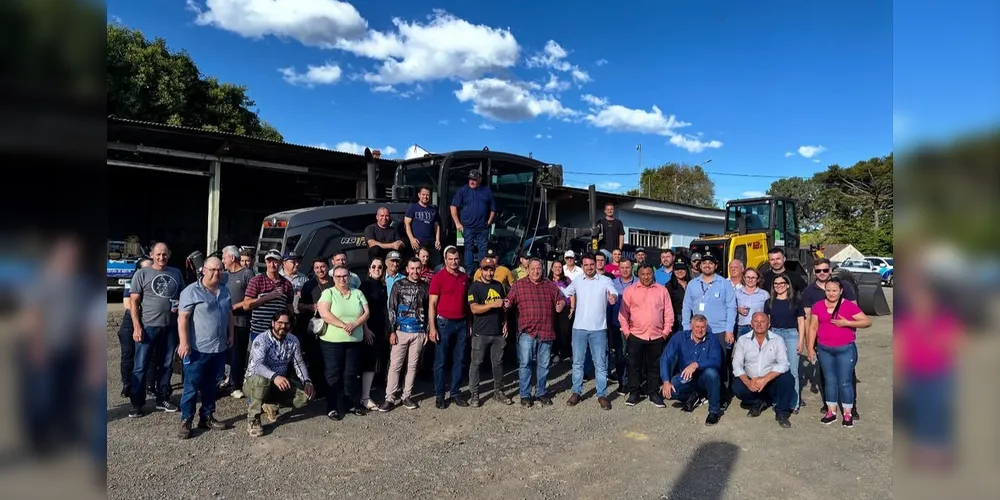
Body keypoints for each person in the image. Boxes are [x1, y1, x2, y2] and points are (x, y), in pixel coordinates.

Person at [175, 257, 232, 438]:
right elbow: (182, 318)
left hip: (219, 347)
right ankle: (186, 420)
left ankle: (207, 416)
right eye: (213, 270)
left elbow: (229, 313)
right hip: (197, 348)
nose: (216, 273)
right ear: (203, 270)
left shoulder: (224, 290)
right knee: (191, 385)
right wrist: (184, 342)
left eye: (219, 269)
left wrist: (231, 334)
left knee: (212, 385)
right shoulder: (190, 291)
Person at [127, 242, 184, 417]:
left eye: (164, 254)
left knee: (166, 365)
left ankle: (163, 398)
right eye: (158, 254)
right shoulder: (141, 274)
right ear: (151, 255)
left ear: (170, 254)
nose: (161, 258)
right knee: (140, 366)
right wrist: (137, 326)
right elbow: (134, 302)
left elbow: (183, 296)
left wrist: (179, 306)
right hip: (148, 327)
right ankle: (137, 404)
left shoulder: (176, 273)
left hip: (170, 327)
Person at [806, 278, 872, 427]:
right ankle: (831, 412)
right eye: (828, 290)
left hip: (845, 349)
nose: (831, 293)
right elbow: (813, 328)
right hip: (824, 349)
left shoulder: (848, 306)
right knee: (829, 381)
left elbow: (867, 322)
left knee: (845, 381)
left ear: (841, 291)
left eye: (834, 290)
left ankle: (848, 414)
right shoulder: (818, 306)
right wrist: (810, 348)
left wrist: (848, 323)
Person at [505, 258, 566, 407]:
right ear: (527, 270)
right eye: (532, 269)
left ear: (543, 269)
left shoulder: (550, 285)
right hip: (527, 332)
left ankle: (541, 392)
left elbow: (562, 299)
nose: (536, 271)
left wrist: (561, 305)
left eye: (538, 268)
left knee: (544, 365)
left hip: (546, 332)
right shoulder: (519, 285)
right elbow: (509, 301)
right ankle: (525, 394)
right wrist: (506, 304)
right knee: (525, 364)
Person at [243, 311, 314, 438]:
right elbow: (258, 365)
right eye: (280, 323)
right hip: (255, 382)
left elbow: (299, 363)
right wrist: (274, 376)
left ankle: (270, 403)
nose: (283, 326)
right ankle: (253, 419)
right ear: (273, 323)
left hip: (279, 382)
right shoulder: (261, 339)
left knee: (305, 397)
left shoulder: (293, 340)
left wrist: (307, 382)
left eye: (286, 323)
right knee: (261, 381)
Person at [561, 253, 618, 410]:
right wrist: (554, 289)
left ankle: (602, 395)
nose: (589, 267)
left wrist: (613, 297)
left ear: (596, 264)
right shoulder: (578, 281)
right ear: (583, 266)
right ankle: (576, 392)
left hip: (598, 329)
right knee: (578, 362)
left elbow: (613, 292)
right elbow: (566, 292)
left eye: (591, 264)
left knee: (600, 364)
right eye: (585, 265)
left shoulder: (605, 280)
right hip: (579, 328)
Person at [317, 265, 373, 420]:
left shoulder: (358, 293)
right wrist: (344, 325)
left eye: (344, 276)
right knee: (333, 374)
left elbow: (367, 312)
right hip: (332, 342)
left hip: (354, 340)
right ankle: (332, 406)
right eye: (338, 276)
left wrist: (354, 324)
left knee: (351, 373)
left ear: (349, 277)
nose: (342, 279)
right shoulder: (328, 293)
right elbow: (325, 314)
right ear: (333, 278)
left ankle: (351, 404)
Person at [681, 253, 736, 408]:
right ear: (700, 266)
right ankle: (701, 392)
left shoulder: (724, 284)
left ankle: (722, 396)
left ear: (716, 266)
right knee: (697, 362)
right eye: (704, 263)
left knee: (720, 364)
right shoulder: (692, 284)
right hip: (697, 331)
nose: (707, 265)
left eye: (710, 263)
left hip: (719, 330)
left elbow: (732, 307)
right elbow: (686, 307)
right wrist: (687, 328)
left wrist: (729, 330)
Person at [618, 263, 673, 408]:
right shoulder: (630, 291)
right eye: (643, 274)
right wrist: (627, 333)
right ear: (638, 275)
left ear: (653, 274)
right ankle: (634, 393)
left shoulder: (662, 291)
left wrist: (665, 332)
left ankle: (653, 393)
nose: (646, 277)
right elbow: (623, 314)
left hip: (656, 336)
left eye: (648, 274)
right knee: (634, 366)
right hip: (635, 335)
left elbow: (668, 313)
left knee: (654, 366)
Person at [380, 258, 430, 411]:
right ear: (407, 269)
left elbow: (429, 310)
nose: (415, 271)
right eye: (412, 268)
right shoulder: (398, 285)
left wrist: (427, 330)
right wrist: (392, 331)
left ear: (421, 269)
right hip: (401, 331)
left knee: (413, 366)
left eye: (418, 268)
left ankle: (406, 395)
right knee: (395, 365)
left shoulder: (425, 286)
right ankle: (389, 398)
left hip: (419, 332)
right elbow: (391, 309)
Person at [731, 313, 796, 428]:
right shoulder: (743, 340)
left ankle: (781, 412)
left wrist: (765, 379)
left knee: (788, 379)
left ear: (769, 324)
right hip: (752, 380)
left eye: (763, 321)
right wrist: (748, 382)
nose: (759, 324)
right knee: (737, 387)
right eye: (756, 321)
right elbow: (736, 364)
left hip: (770, 379)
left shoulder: (777, 340)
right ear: (751, 324)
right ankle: (760, 402)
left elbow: (784, 364)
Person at [660, 314, 724, 425]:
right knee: (668, 392)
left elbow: (717, 361)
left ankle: (714, 410)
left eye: (703, 327)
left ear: (706, 327)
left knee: (712, 373)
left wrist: (696, 364)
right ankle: (696, 396)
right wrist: (666, 381)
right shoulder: (680, 337)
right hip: (686, 377)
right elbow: (665, 358)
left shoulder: (712, 339)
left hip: (704, 376)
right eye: (697, 327)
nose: (700, 330)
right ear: (691, 326)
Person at [428, 246, 471, 408]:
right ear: (445, 260)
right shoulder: (438, 278)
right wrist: (432, 327)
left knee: (459, 360)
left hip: (461, 323)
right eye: (450, 259)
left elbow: (467, 303)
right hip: (444, 323)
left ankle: (455, 393)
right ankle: (439, 395)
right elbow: (432, 304)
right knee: (441, 361)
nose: (453, 262)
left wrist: (469, 324)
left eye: (456, 259)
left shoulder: (464, 277)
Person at [467, 258, 512, 407]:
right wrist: (493, 304)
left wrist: (505, 320)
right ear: (481, 270)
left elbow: (503, 305)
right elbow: (474, 308)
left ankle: (498, 391)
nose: (489, 272)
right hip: (481, 332)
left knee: (498, 363)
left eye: (491, 269)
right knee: (476, 363)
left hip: (497, 332)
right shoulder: (475, 287)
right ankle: (474, 393)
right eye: (486, 269)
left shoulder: (498, 285)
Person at [764, 273, 807, 412]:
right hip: (775, 334)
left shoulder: (796, 301)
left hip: (791, 335)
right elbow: (767, 322)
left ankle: (794, 403)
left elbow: (801, 322)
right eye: (776, 284)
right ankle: (778, 401)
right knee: (775, 370)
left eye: (782, 283)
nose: (779, 286)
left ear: (788, 285)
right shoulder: (769, 302)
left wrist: (801, 341)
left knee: (793, 371)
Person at [242, 249, 295, 350]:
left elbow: (289, 307)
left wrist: (291, 326)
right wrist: (267, 297)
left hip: (280, 331)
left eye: (275, 261)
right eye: (269, 261)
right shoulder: (256, 281)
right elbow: (245, 305)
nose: (272, 265)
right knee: (259, 362)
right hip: (259, 331)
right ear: (265, 262)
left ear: (280, 263)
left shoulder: (287, 284)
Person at [221, 245, 254, 396]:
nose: (223, 261)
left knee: (238, 353)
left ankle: (236, 385)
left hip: (240, 321)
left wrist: (236, 306)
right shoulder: (223, 275)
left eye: (224, 257)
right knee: (224, 352)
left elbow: (253, 298)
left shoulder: (247, 274)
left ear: (232, 258)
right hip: (223, 320)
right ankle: (226, 380)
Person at [118, 256, 153, 398]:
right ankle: (127, 383)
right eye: (146, 268)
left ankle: (149, 385)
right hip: (131, 320)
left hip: (148, 319)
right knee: (128, 354)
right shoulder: (131, 282)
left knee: (150, 355)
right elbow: (128, 304)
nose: (149, 271)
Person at [358, 257, 389, 411]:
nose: (377, 269)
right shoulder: (365, 286)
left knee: (375, 363)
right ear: (369, 269)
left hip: (380, 329)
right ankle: (364, 397)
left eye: (380, 267)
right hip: (368, 330)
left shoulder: (382, 286)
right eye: (374, 267)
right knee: (368, 364)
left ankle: (368, 393)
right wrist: (365, 329)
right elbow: (360, 310)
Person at [450, 169, 496, 272]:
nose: (472, 181)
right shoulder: (463, 190)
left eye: (474, 179)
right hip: (467, 227)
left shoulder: (486, 190)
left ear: (479, 179)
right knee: (468, 249)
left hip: (482, 227)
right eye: (470, 179)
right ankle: (469, 272)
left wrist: (489, 221)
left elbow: (493, 208)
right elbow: (453, 207)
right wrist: (457, 223)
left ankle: (482, 271)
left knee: (482, 250)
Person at [608, 258, 637, 392]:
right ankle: (622, 381)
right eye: (622, 268)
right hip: (617, 324)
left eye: (628, 267)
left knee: (633, 355)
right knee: (620, 355)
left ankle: (634, 382)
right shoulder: (612, 284)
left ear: (632, 268)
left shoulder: (638, 282)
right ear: (618, 269)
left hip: (635, 325)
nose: (625, 270)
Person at [404, 185, 442, 257]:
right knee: (418, 265)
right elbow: (406, 224)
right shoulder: (412, 207)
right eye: (423, 194)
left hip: (431, 242)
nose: (425, 197)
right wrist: (412, 239)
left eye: (427, 195)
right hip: (418, 242)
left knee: (436, 265)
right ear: (419, 195)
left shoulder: (433, 209)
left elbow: (436, 225)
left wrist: (437, 240)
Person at [548, 260, 573, 363]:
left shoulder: (566, 280)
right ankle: (555, 352)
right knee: (554, 330)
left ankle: (567, 351)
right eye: (555, 267)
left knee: (565, 331)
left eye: (559, 267)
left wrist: (572, 307)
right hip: (551, 309)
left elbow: (572, 294)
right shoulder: (548, 281)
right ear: (551, 268)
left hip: (565, 308)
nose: (558, 269)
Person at [735, 268, 769, 335]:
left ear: (758, 279)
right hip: (742, 327)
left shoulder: (764, 294)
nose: (750, 280)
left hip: (759, 327)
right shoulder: (737, 293)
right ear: (744, 278)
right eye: (748, 277)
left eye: (753, 277)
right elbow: (730, 308)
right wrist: (738, 309)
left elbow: (768, 313)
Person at [664, 259, 690, 335]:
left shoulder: (692, 283)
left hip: (692, 317)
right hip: (677, 319)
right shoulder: (669, 285)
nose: (680, 271)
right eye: (677, 269)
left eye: (682, 269)